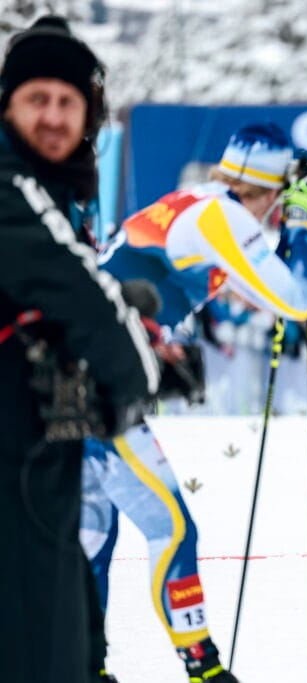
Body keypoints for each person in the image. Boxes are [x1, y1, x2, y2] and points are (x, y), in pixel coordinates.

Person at [80, 122, 307, 682]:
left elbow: (253, 284)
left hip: (74, 372)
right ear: (270, 189)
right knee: (170, 528)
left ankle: (83, 665)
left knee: (93, 535)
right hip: (95, 385)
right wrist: (303, 220)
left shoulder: (197, 200)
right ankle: (204, 670)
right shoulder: (223, 217)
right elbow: (295, 300)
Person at [0, 15, 161, 683]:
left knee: (68, 585)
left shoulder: (54, 181)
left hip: (36, 434)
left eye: (67, 101)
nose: (54, 115)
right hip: (17, 457)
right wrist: (136, 373)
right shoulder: (10, 181)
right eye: (37, 98)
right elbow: (70, 283)